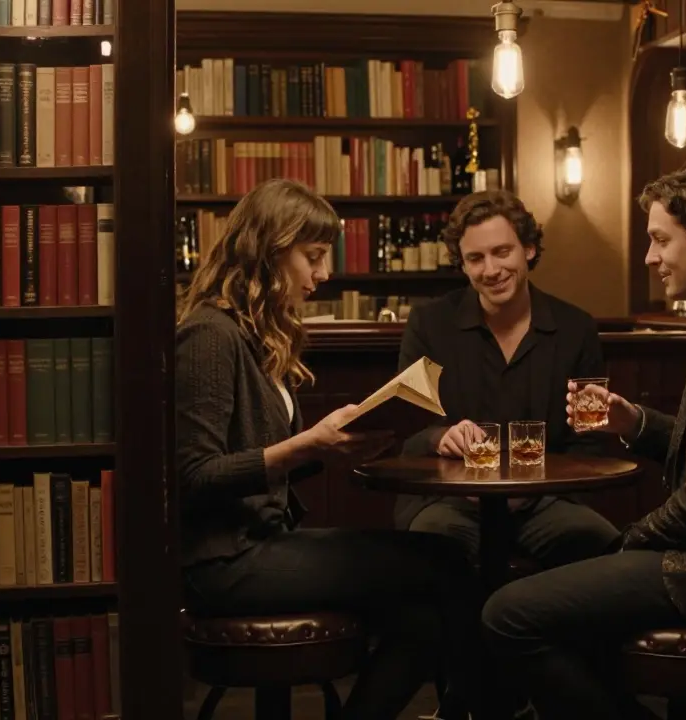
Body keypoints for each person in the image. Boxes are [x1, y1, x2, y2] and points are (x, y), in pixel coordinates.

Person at [175, 178, 485, 720]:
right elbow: (194, 477)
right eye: (312, 257)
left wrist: (329, 450)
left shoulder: (257, 335)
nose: (323, 274)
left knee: (425, 616)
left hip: (262, 543)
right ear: (270, 250)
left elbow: (263, 459)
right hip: (224, 562)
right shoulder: (209, 334)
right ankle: (484, 707)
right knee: (446, 561)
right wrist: (305, 446)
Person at [480, 161, 686, 720]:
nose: (649, 257)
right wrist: (636, 425)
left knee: (506, 615)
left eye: (659, 240)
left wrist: (631, 539)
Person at [396, 189, 619, 570]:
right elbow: (405, 430)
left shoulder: (575, 328)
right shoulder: (429, 324)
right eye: (475, 258)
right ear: (462, 265)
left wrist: (543, 484)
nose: (491, 270)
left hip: (546, 502)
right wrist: (439, 437)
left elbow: (592, 442)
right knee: (427, 554)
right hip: (449, 501)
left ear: (529, 249)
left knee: (603, 547)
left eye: (502, 252)